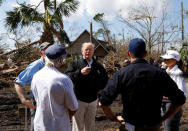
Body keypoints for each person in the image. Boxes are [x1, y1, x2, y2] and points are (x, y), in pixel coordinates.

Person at [99, 38, 186, 131]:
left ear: (128, 53)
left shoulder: (121, 74)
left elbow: (103, 103)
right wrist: (163, 118)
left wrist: (113, 118)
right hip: (152, 126)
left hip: (130, 126)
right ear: (145, 54)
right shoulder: (159, 73)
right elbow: (179, 100)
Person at [31, 43, 78, 131]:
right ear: (60, 61)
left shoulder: (36, 76)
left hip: (39, 125)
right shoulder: (63, 79)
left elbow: (37, 99)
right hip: (58, 126)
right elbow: (73, 108)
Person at [66, 42, 108, 131]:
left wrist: (102, 89)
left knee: (90, 126)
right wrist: (80, 73)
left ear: (93, 52)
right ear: (82, 52)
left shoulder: (98, 66)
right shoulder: (75, 64)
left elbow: (105, 80)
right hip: (78, 100)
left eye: (90, 50)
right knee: (78, 127)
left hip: (93, 101)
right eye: (86, 49)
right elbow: (67, 78)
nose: (88, 51)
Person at [14, 42, 52, 131]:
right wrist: (23, 100)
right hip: (37, 103)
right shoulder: (35, 66)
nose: (50, 51)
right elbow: (18, 82)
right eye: (47, 50)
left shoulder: (54, 64)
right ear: (41, 52)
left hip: (51, 103)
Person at [160, 50, 187, 131]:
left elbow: (182, 95)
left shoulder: (178, 73)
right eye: (164, 59)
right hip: (163, 104)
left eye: (168, 59)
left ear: (175, 60)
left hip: (172, 105)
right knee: (165, 128)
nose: (165, 61)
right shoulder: (166, 71)